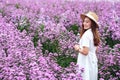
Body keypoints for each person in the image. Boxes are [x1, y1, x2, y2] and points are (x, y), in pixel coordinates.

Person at [74, 11, 100, 80]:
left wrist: (77, 48)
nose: (84, 23)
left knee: (84, 77)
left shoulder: (86, 35)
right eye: (84, 21)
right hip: (92, 61)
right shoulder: (94, 34)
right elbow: (96, 49)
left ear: (92, 24)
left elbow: (85, 52)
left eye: (87, 22)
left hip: (85, 62)